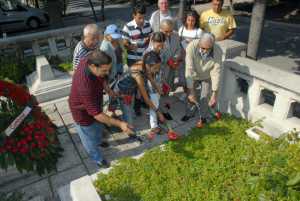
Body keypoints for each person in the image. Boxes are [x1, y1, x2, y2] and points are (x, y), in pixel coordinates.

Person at [69, 50, 133, 168]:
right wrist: (120, 124)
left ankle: (99, 141)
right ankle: (97, 158)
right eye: (104, 70)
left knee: (98, 127)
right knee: (89, 138)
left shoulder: (91, 58)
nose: (107, 72)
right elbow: (97, 114)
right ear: (93, 66)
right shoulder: (85, 84)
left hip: (94, 102)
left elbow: (102, 78)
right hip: (81, 111)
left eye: (108, 69)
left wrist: (109, 91)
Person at [110, 54, 166, 134]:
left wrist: (157, 88)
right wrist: (158, 112)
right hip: (122, 92)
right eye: (155, 68)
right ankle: (127, 133)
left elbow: (149, 77)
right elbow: (146, 99)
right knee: (130, 122)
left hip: (129, 90)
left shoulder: (144, 64)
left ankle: (118, 119)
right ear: (148, 65)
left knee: (130, 111)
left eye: (158, 68)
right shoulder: (137, 74)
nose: (157, 70)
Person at [182, 32, 221, 125]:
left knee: (206, 95)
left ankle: (203, 117)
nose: (205, 51)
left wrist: (214, 94)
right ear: (199, 42)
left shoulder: (218, 51)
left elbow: (216, 72)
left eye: (208, 49)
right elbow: (189, 69)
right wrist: (191, 91)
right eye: (203, 48)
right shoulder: (191, 46)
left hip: (206, 75)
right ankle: (190, 113)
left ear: (212, 45)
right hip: (194, 74)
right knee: (191, 95)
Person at [122, 3, 153, 116]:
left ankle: (142, 101)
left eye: (143, 17)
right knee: (136, 83)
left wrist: (148, 41)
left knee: (143, 81)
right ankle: (136, 106)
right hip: (133, 60)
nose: (141, 20)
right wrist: (130, 46)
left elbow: (151, 37)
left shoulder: (148, 24)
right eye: (139, 17)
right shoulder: (127, 27)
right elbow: (124, 43)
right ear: (133, 15)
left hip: (144, 58)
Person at [178, 9, 203, 101]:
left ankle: (191, 95)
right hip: (182, 58)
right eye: (189, 20)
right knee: (183, 78)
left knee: (191, 79)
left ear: (196, 20)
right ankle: (185, 93)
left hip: (193, 59)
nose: (190, 22)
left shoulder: (199, 31)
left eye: (193, 20)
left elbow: (202, 46)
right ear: (185, 19)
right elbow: (179, 43)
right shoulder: (181, 29)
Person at [160, 19, 183, 92]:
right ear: (161, 29)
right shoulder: (157, 37)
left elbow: (178, 48)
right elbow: (156, 52)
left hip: (173, 63)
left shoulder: (176, 35)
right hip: (162, 65)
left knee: (171, 80)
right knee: (162, 83)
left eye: (171, 31)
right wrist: (168, 61)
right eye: (166, 31)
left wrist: (176, 59)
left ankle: (169, 90)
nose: (169, 34)